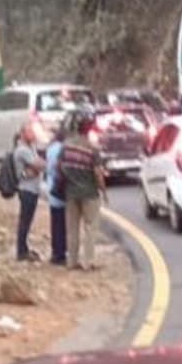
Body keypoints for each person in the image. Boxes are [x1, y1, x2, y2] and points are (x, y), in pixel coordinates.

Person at [59, 110, 108, 271]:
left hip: (71, 192)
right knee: (90, 228)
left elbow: (59, 166)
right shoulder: (92, 149)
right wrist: (103, 191)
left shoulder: (66, 146)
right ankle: (88, 261)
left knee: (72, 229)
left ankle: (72, 261)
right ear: (88, 130)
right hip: (89, 193)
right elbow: (98, 173)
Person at [12, 125, 44, 262]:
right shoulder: (23, 150)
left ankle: (24, 248)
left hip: (32, 189)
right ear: (23, 134)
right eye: (31, 132)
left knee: (27, 220)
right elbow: (40, 165)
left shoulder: (31, 148)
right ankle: (21, 251)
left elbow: (39, 165)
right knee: (25, 221)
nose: (34, 134)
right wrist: (35, 169)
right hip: (27, 190)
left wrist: (36, 169)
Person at [44, 128, 68, 266]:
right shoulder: (65, 149)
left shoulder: (51, 149)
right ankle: (62, 252)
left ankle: (56, 253)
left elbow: (49, 169)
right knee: (64, 224)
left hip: (53, 188)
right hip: (65, 190)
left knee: (55, 223)